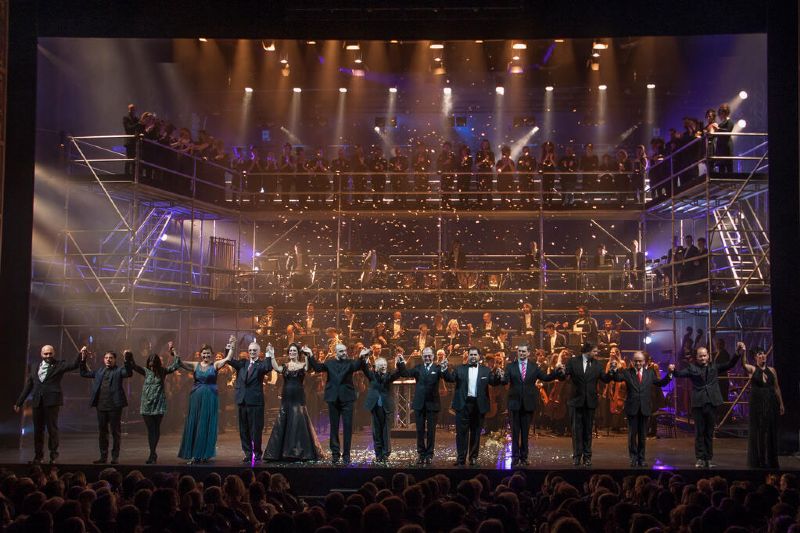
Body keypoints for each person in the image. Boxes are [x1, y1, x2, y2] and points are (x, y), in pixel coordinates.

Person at [671, 346, 740, 468]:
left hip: (711, 403)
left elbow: (729, 364)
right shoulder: (692, 368)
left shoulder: (714, 367)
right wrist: (673, 370)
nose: (703, 358)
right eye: (700, 356)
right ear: (696, 357)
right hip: (698, 404)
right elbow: (679, 374)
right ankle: (700, 458)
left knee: (709, 432)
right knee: (699, 432)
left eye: (704, 355)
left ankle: (708, 458)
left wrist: (737, 353)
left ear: (708, 356)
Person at [14, 345, 82, 464]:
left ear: (53, 353)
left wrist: (81, 354)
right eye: (46, 354)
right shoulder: (35, 366)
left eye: (50, 353)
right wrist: (19, 402)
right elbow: (29, 386)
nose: (48, 356)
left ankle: (53, 456)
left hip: (52, 401)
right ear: (41, 354)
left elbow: (74, 365)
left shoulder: (59, 364)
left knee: (52, 429)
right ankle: (38, 456)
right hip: (37, 402)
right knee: (38, 430)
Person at [609, 351, 674, 467]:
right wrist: (613, 369)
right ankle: (633, 459)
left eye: (640, 361)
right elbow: (617, 378)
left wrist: (669, 374)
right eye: (636, 361)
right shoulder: (627, 372)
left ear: (644, 362)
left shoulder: (650, 373)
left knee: (643, 436)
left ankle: (641, 458)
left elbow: (660, 383)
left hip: (645, 408)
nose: (638, 363)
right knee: (632, 435)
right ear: (632, 362)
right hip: (632, 408)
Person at [177, 336, 236, 464]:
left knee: (206, 424)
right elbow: (180, 363)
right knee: (196, 424)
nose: (206, 355)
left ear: (212, 354)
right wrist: (174, 353)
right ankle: (194, 454)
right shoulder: (195, 365)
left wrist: (232, 345)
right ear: (200, 354)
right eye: (204, 353)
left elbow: (228, 358)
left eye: (208, 353)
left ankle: (204, 454)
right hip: (196, 398)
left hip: (210, 398)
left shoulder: (215, 365)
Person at [502, 343, 562, 466]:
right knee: (515, 433)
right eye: (520, 351)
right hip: (514, 403)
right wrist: (500, 376)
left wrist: (557, 371)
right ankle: (515, 457)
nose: (521, 353)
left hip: (528, 404)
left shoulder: (534, 367)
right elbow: (505, 380)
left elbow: (545, 377)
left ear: (528, 353)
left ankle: (524, 457)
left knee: (525, 433)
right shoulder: (510, 366)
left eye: (524, 351)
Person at [443, 347, 505, 466]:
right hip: (463, 405)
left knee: (476, 433)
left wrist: (498, 373)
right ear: (468, 356)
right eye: (471, 354)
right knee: (461, 433)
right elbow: (450, 379)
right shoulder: (459, 369)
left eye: (475, 355)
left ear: (479, 357)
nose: (472, 357)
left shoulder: (485, 370)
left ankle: (473, 458)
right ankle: (461, 459)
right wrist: (444, 369)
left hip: (478, 405)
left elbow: (494, 382)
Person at [308, 343, 368, 464]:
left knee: (348, 427)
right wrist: (310, 355)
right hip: (333, 398)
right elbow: (318, 368)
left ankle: (346, 454)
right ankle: (335, 454)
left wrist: (362, 356)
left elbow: (358, 365)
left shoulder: (350, 363)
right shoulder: (329, 363)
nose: (344, 353)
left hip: (347, 399)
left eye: (345, 351)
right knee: (334, 427)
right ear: (336, 352)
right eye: (341, 351)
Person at [264, 343, 324, 462]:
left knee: (298, 421)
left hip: (298, 396)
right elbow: (276, 368)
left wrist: (307, 354)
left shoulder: (302, 365)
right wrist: (272, 355)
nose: (292, 352)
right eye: (290, 351)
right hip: (287, 396)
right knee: (285, 420)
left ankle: (298, 451)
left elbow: (307, 368)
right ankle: (284, 451)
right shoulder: (285, 366)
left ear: (298, 353)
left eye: (294, 351)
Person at [129, 342, 183, 464]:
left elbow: (176, 365)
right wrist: (129, 355)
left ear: (157, 363)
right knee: (150, 429)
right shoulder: (145, 371)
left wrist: (173, 351)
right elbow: (133, 366)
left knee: (156, 429)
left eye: (154, 362)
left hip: (158, 405)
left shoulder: (162, 371)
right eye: (150, 362)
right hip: (147, 405)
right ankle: (152, 453)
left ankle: (152, 453)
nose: (152, 365)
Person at [560, 342, 613, 467]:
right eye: (594, 351)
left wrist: (612, 372)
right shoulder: (573, 362)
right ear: (587, 351)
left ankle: (587, 457)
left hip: (590, 402)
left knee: (588, 431)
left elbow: (605, 379)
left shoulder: (598, 364)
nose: (597, 353)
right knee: (576, 431)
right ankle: (577, 457)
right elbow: (563, 376)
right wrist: (560, 371)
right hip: (575, 401)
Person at [79, 349, 135, 464]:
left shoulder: (119, 370)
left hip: (115, 406)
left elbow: (129, 373)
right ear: (103, 359)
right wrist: (83, 359)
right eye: (106, 358)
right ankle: (103, 457)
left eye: (111, 358)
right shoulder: (100, 371)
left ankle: (115, 457)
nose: (108, 360)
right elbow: (83, 373)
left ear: (115, 359)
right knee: (102, 433)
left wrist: (127, 359)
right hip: (101, 406)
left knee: (115, 432)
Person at [398, 346, 448, 464]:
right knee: (420, 431)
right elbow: (405, 373)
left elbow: (449, 378)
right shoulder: (417, 368)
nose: (427, 358)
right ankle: (421, 454)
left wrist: (445, 368)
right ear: (422, 357)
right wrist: (400, 363)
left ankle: (429, 454)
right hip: (419, 404)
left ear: (433, 356)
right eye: (425, 356)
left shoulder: (438, 368)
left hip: (433, 404)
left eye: (429, 355)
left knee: (431, 431)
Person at [226, 341, 274, 464]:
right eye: (250, 350)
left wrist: (268, 354)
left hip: (255, 402)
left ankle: (257, 454)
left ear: (259, 352)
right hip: (242, 401)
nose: (252, 352)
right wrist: (230, 346)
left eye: (254, 350)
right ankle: (248, 453)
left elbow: (268, 367)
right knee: (243, 430)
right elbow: (229, 360)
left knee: (256, 430)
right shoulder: (243, 363)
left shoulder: (261, 364)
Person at [740, 342, 784, 468]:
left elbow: (776, 387)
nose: (763, 356)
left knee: (770, 431)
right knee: (759, 431)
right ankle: (759, 460)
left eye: (764, 353)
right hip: (757, 404)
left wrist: (781, 403)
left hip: (770, 403)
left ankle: (771, 460)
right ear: (755, 357)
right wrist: (743, 351)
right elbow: (743, 364)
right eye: (760, 354)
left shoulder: (772, 370)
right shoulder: (753, 369)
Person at [362, 354, 405, 464]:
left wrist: (400, 363)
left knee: (385, 432)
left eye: (385, 365)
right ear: (376, 367)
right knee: (376, 432)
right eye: (381, 365)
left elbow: (398, 373)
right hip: (375, 407)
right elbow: (365, 369)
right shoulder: (372, 376)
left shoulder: (389, 376)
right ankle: (378, 454)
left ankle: (385, 454)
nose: (383, 366)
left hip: (386, 408)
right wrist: (364, 359)